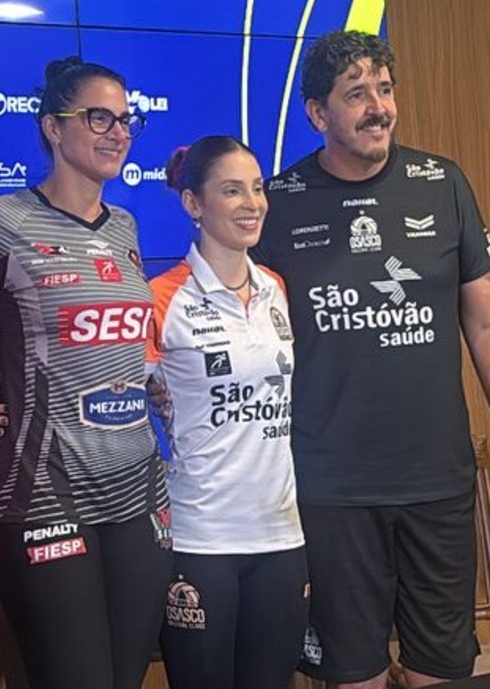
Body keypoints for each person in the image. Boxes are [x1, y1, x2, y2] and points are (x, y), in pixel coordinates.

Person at [252, 30, 490, 689]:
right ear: (317, 113)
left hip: (435, 477)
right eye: (356, 94)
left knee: (441, 669)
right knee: (356, 674)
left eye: (384, 89)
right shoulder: (278, 203)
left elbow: (486, 318)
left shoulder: (442, 183)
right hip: (330, 485)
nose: (378, 107)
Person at [0, 57, 171, 689]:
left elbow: (116, 343)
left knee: (126, 678)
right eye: (99, 117)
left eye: (126, 119)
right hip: (43, 491)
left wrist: (151, 383)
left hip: (138, 488)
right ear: (53, 126)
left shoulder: (126, 227)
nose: (118, 132)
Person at [147, 135, 309, 689]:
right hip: (201, 539)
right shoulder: (162, 297)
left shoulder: (276, 288)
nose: (252, 204)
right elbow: (115, 393)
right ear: (193, 203)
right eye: (232, 190)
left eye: (257, 189)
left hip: (281, 536)